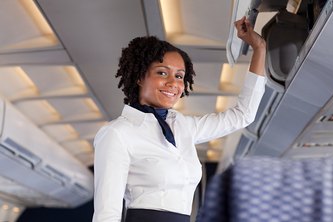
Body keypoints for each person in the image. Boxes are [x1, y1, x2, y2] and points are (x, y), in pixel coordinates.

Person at [92, 16, 266, 222]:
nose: (173, 83)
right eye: (162, 73)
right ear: (139, 76)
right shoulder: (118, 133)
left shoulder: (184, 126)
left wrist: (260, 48)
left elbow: (242, 115)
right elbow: (106, 213)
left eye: (179, 76)